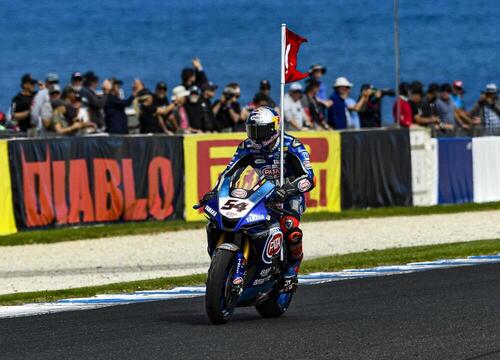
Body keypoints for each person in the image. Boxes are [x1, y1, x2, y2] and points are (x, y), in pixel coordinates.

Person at [200, 107, 315, 290]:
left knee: (290, 229)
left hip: (288, 195)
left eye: (259, 131)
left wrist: (287, 190)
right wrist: (215, 191)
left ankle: (292, 268)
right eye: (251, 130)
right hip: (261, 192)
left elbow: (309, 178)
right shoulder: (247, 146)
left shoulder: (291, 145)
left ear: (272, 129)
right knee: (225, 221)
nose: (255, 136)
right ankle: (229, 264)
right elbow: (230, 172)